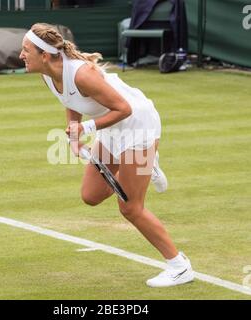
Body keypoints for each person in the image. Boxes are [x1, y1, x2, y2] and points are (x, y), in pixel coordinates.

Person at [19, 23, 194, 287]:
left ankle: (179, 267)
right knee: (91, 195)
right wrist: (76, 136)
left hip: (137, 126)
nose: (21, 55)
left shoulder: (82, 74)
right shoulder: (48, 74)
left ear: (44, 55)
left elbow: (124, 108)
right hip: (111, 127)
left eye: (26, 50)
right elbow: (70, 101)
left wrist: (86, 127)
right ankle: (144, 169)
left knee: (130, 208)